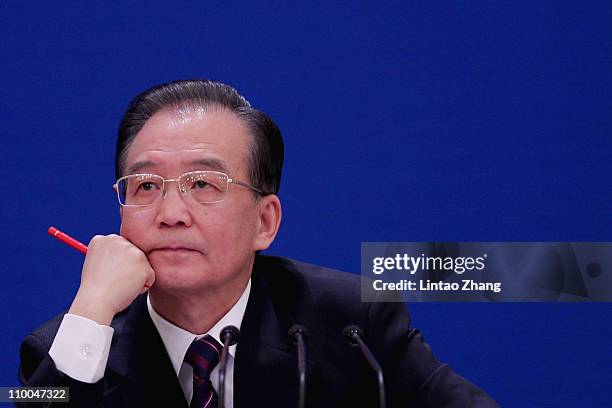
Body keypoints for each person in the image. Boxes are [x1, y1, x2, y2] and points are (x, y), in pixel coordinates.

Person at [19, 79, 498, 407]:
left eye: (203, 184)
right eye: (145, 186)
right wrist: (91, 309)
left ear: (264, 222)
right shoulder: (63, 347)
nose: (170, 214)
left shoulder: (352, 325)